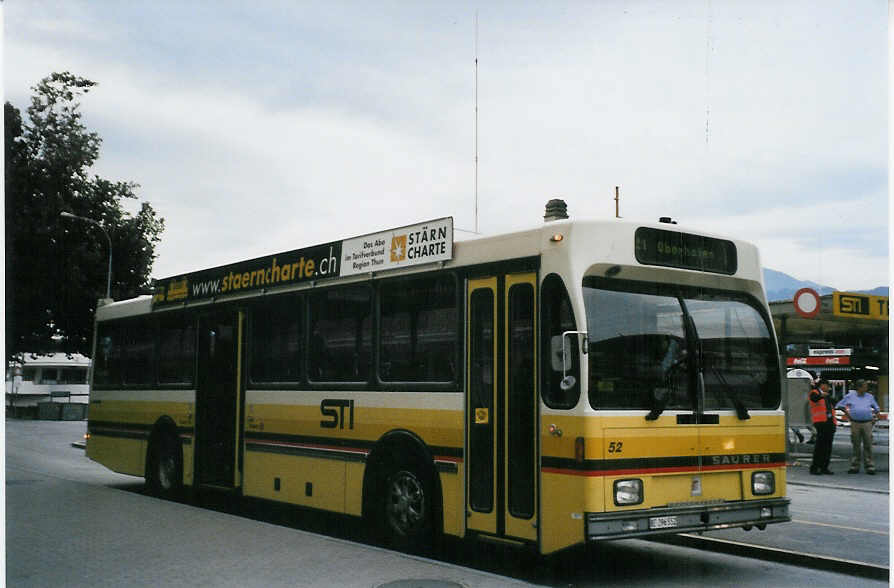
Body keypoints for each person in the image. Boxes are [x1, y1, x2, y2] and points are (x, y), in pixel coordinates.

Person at [835, 380, 880, 474]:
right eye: (865, 386)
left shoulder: (869, 397)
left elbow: (877, 408)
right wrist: (848, 415)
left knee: (868, 444)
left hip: (867, 423)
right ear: (859, 388)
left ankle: (870, 465)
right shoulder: (850, 396)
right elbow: (840, 405)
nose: (867, 388)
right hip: (855, 422)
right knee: (856, 444)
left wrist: (873, 416)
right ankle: (855, 465)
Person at [809, 379, 837, 475]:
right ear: (822, 385)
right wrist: (821, 395)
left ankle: (824, 467)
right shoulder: (814, 392)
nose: (828, 388)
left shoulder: (827, 396)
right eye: (827, 385)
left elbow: (835, 403)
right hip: (820, 422)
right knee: (820, 446)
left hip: (830, 422)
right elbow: (814, 398)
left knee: (828, 447)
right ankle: (815, 467)